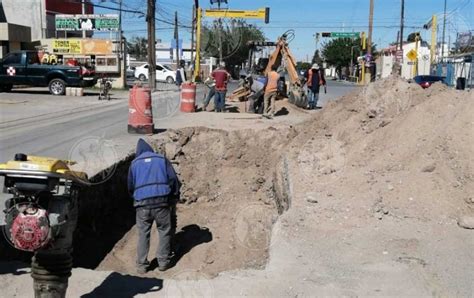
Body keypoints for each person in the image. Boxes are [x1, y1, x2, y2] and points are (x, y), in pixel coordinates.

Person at [128, 139, 181, 274]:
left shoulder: (134, 164)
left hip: (142, 205)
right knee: (164, 230)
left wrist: (136, 198)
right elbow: (173, 179)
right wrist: (174, 196)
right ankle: (163, 262)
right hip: (161, 202)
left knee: (143, 233)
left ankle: (142, 265)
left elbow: (130, 186)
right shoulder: (161, 159)